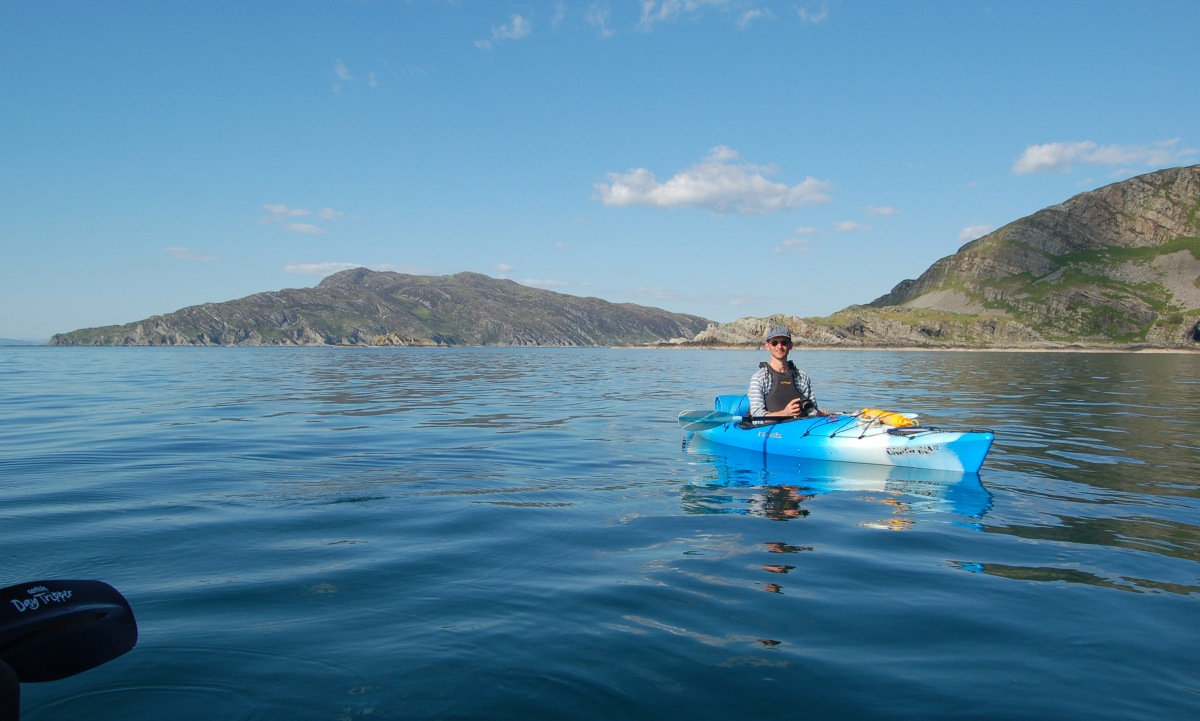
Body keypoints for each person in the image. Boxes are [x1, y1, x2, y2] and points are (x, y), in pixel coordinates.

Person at [748, 325, 826, 418]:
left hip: (799, 427)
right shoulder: (759, 378)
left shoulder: (802, 377)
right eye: (774, 343)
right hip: (768, 430)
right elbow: (757, 416)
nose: (779, 346)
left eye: (784, 342)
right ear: (767, 346)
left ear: (790, 345)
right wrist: (784, 413)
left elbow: (812, 410)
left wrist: (819, 413)